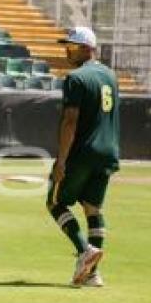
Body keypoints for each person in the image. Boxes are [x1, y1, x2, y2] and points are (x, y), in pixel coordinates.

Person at [47, 27, 119, 287]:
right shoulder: (110, 76)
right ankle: (92, 274)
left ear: (87, 48)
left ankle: (83, 250)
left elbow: (70, 121)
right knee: (93, 208)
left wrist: (61, 160)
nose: (67, 49)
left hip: (83, 151)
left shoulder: (76, 78)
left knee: (55, 203)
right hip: (108, 151)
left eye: (72, 45)